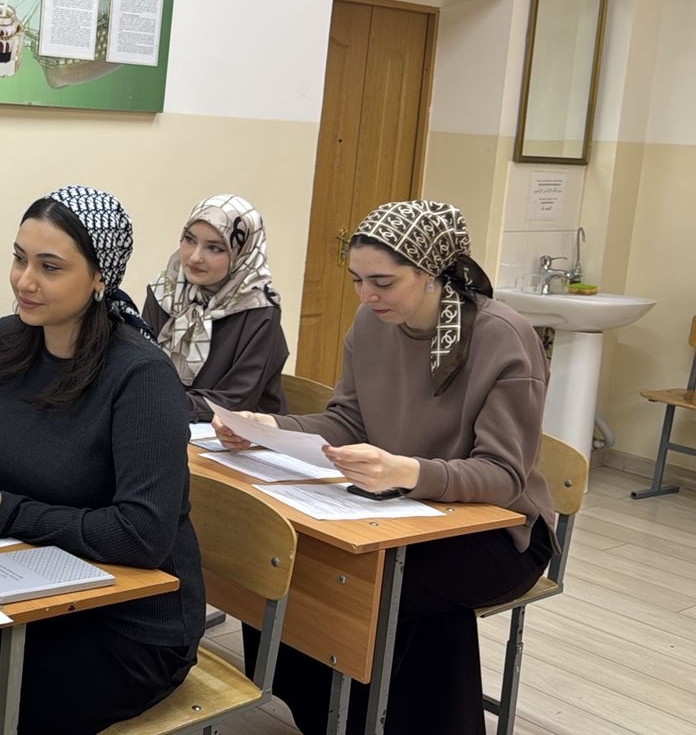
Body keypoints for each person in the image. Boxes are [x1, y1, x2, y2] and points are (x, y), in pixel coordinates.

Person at [216, 200, 556, 735]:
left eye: (382, 282)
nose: (365, 295)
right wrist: (269, 427)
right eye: (357, 280)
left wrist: (407, 472)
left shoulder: (502, 337)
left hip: (501, 532)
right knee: (292, 560)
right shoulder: (372, 324)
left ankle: (379, 720)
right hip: (402, 510)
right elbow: (348, 420)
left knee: (380, 586)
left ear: (431, 273)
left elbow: (504, 476)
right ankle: (332, 716)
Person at [0, 185, 204, 735]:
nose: (24, 280)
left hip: (128, 624)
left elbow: (143, 535)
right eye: (19, 258)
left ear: (100, 277)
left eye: (49, 267)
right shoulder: (7, 339)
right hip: (24, 585)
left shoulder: (141, 376)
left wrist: (7, 513)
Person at [143, 193, 288, 420]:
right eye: (190, 239)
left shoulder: (260, 310)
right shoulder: (165, 292)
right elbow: (142, 367)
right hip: (169, 419)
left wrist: (158, 401)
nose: (195, 257)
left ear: (242, 254)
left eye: (214, 248)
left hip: (241, 433)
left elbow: (236, 401)